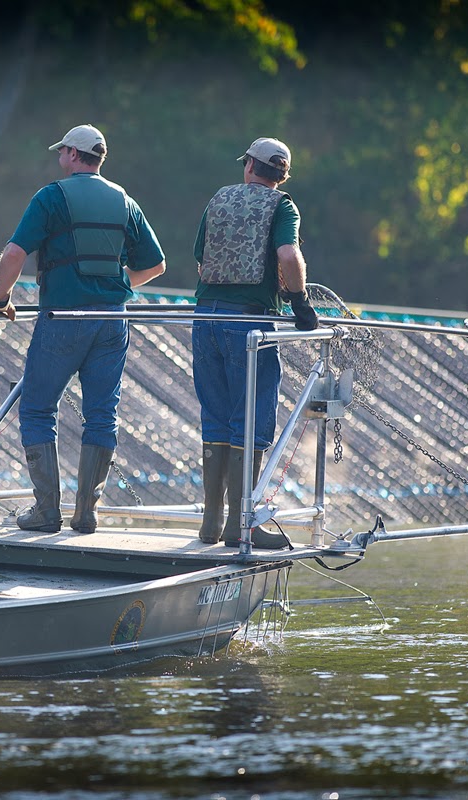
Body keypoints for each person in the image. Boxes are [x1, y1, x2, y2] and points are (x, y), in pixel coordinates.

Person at [0, 124, 166, 534]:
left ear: (71, 154)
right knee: (102, 414)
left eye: (61, 152)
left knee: (37, 407)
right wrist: (115, 289)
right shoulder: (125, 201)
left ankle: (47, 512)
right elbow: (155, 265)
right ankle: (86, 513)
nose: (58, 158)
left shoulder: (51, 197)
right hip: (113, 320)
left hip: (63, 319)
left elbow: (13, 253)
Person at [191, 137, 318, 549]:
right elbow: (288, 255)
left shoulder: (219, 199)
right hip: (248, 325)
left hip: (204, 317)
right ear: (282, 176)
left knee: (216, 416)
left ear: (249, 166)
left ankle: (211, 525)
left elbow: (200, 258)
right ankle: (241, 524)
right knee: (251, 417)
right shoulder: (282, 206)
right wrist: (299, 303)